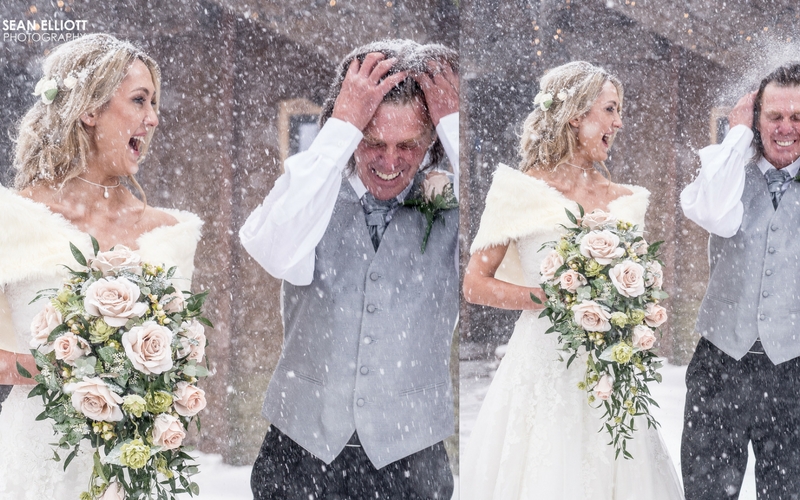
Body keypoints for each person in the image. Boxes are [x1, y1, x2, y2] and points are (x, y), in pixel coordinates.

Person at [240, 39, 459, 499]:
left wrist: (454, 124)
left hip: (412, 462)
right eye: (373, 142)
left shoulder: (459, 209)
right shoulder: (312, 199)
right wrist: (341, 127)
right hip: (299, 456)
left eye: (409, 145)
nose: (390, 161)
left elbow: (513, 239)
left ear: (433, 142)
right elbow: (270, 247)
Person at [460, 61, 683, 499]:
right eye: (610, 109)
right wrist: (549, 296)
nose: (618, 122)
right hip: (544, 368)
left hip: (611, 372)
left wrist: (635, 305)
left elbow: (637, 283)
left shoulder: (625, 200)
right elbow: (474, 283)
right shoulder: (517, 190)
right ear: (577, 114)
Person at [0, 34, 203, 499]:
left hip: (136, 471)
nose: (152, 118)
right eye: (139, 100)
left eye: (154, 103)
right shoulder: (10, 220)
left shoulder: (169, 234)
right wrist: (64, 369)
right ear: (89, 110)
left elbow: (184, 359)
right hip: (40, 462)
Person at [680, 63, 800, 499]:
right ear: (756, 121)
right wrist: (735, 135)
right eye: (775, 117)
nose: (786, 128)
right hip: (720, 366)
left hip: (794, 372)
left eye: (798, 117)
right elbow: (712, 213)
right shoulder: (727, 178)